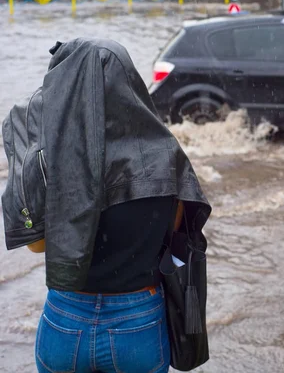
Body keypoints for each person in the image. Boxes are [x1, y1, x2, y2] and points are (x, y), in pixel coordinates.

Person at [2, 38, 211, 373]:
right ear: (129, 81)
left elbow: (37, 246)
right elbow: (174, 234)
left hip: (65, 319)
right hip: (137, 321)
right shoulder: (165, 154)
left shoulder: (53, 158)